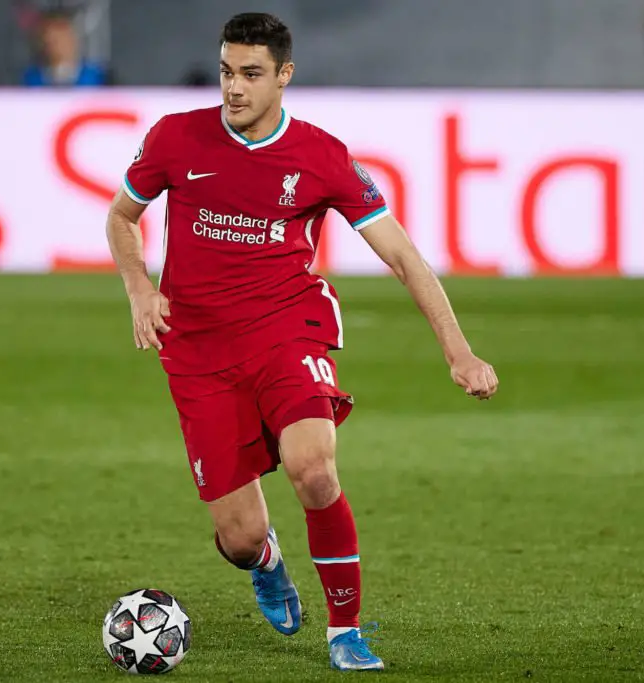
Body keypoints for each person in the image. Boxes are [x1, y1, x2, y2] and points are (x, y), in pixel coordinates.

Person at [105, 12, 498, 672]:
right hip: (197, 350)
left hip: (286, 328)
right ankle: (266, 560)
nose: (234, 88)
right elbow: (122, 217)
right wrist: (139, 287)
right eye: (227, 71)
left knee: (313, 466)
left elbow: (403, 256)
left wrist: (459, 350)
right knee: (238, 536)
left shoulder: (322, 156)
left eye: (251, 74)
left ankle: (346, 629)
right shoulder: (175, 137)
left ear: (284, 75)